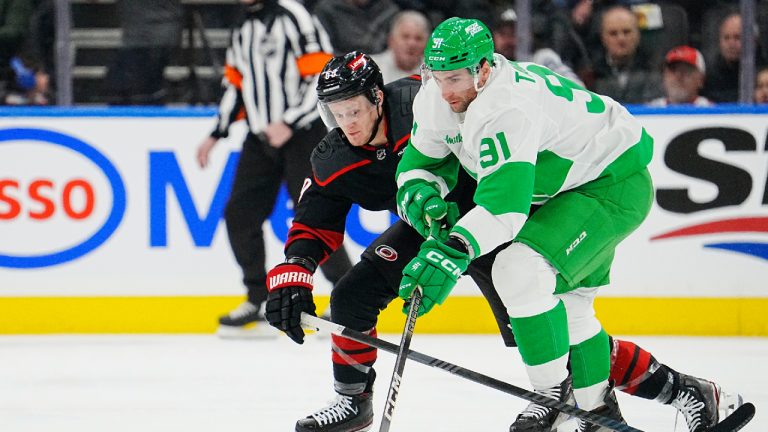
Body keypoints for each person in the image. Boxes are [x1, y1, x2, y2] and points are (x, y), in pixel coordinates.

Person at [263, 51, 745, 432]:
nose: (346, 123)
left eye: (355, 110)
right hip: (430, 227)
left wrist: (462, 231)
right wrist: (294, 271)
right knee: (351, 294)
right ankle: (352, 402)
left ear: (378, 98)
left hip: (497, 218)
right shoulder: (335, 155)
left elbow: (500, 179)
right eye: (336, 113)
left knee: (541, 328)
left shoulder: (429, 100)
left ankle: (677, 389)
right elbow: (315, 214)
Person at [394, 17, 743, 432]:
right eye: (436, 78)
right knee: (572, 312)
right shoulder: (437, 96)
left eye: (455, 78)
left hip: (611, 184)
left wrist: (451, 251)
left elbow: (503, 211)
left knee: (518, 270)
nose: (445, 90)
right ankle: (604, 415)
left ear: (484, 68)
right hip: (568, 190)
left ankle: (551, 397)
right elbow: (422, 162)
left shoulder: (507, 107)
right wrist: (421, 196)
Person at [197, 0, 351, 337]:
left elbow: (322, 75)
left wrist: (289, 121)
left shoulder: (294, 15)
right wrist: (216, 132)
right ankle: (258, 298)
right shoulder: (242, 26)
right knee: (240, 214)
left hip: (302, 134)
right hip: (260, 136)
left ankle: (345, 294)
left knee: (315, 216)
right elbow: (235, 85)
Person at [591, 5, 662, 104]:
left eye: (626, 32)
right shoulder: (591, 75)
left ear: (637, 35)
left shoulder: (655, 71)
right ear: (603, 38)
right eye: (613, 33)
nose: (621, 39)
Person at [313, 0, 400, 55]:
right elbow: (326, 49)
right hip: (343, 69)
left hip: (384, 67)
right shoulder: (327, 10)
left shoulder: (388, 9)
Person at [371, 10, 430, 83]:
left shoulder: (436, 74)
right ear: (391, 40)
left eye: (418, 38)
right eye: (405, 37)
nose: (412, 44)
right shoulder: (371, 68)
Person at [647, 46, 713, 107]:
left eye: (686, 70)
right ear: (664, 76)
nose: (678, 76)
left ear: (701, 80)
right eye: (673, 69)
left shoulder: (712, 112)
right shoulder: (650, 111)